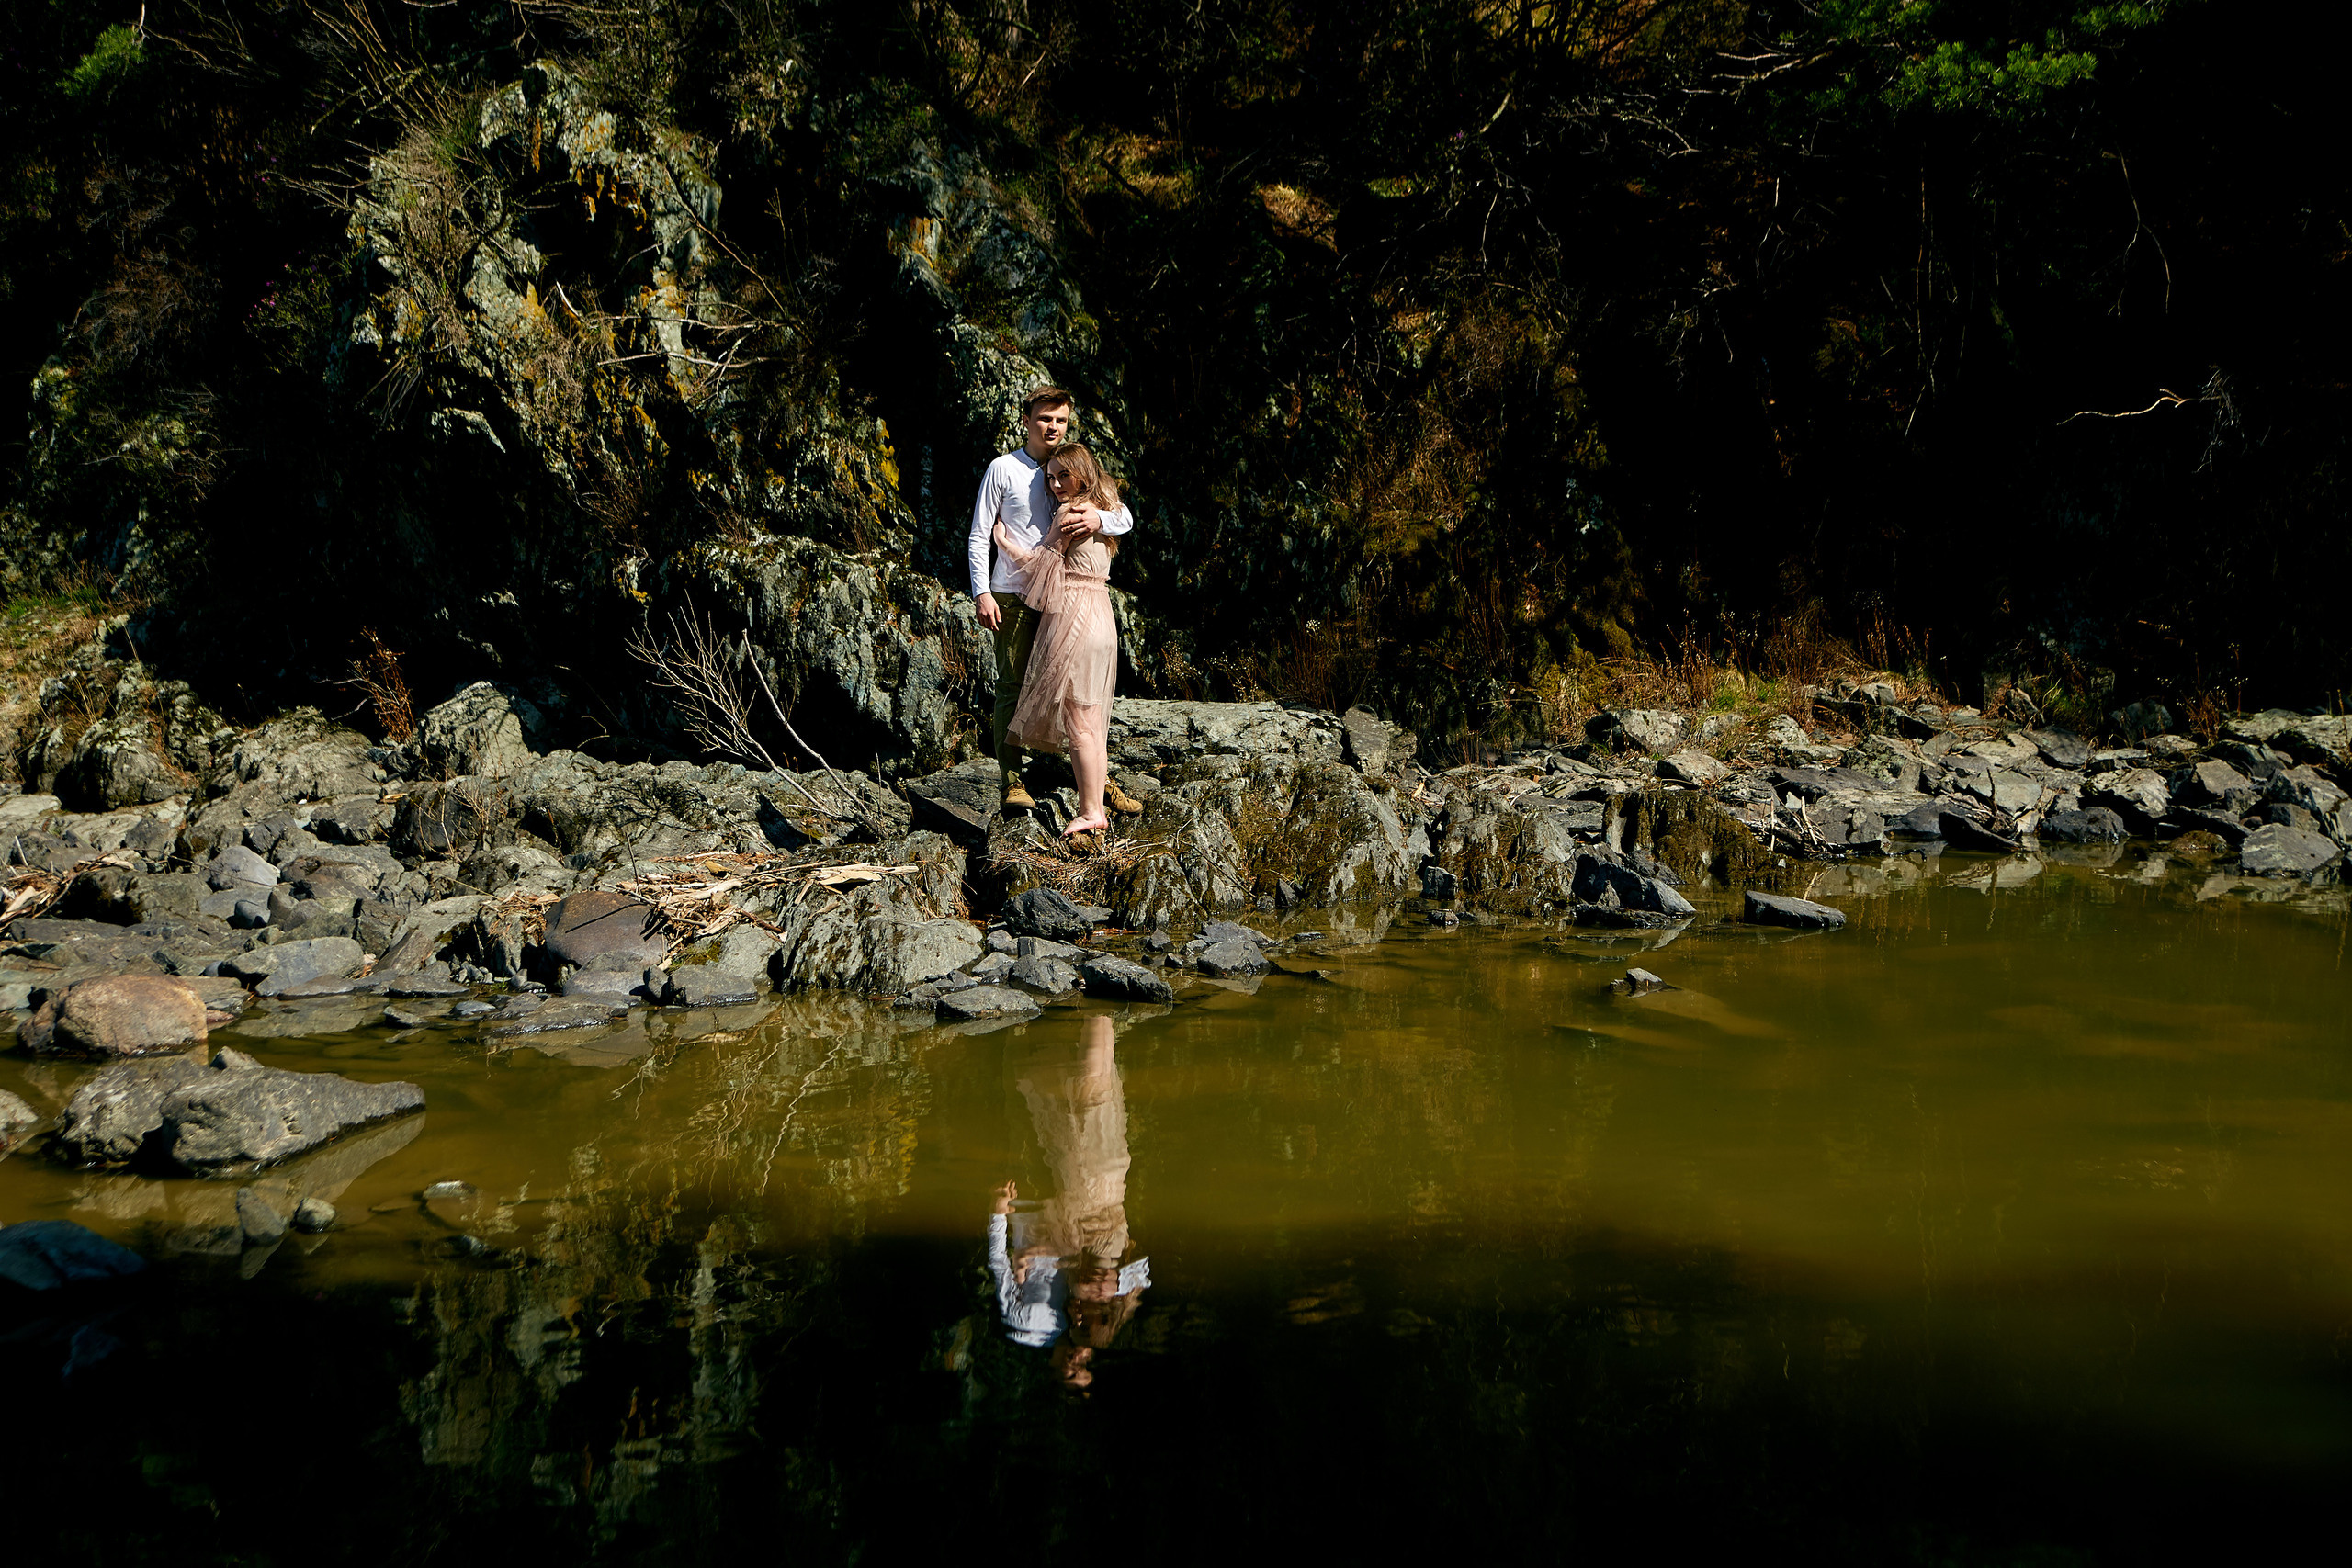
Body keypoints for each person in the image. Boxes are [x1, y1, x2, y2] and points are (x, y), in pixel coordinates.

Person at [967, 386, 1142, 818]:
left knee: (1070, 691)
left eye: (1060, 420)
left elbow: (1124, 516)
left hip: (1062, 594)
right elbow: (977, 534)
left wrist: (1100, 518)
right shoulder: (1003, 469)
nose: (1053, 426)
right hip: (1012, 594)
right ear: (1028, 420)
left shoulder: (1071, 470)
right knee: (1012, 685)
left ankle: (1097, 783)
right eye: (1046, 418)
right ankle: (1013, 782)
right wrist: (982, 591)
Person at [990, 442, 1125, 838]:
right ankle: (1097, 803)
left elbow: (1043, 563)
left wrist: (1006, 544)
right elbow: (1123, 518)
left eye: (1063, 475)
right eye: (1050, 478)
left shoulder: (1071, 512)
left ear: (1082, 471)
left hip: (1077, 617)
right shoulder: (1106, 506)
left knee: (1079, 721)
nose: (1056, 485)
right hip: (1102, 612)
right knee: (1095, 719)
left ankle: (1090, 811)